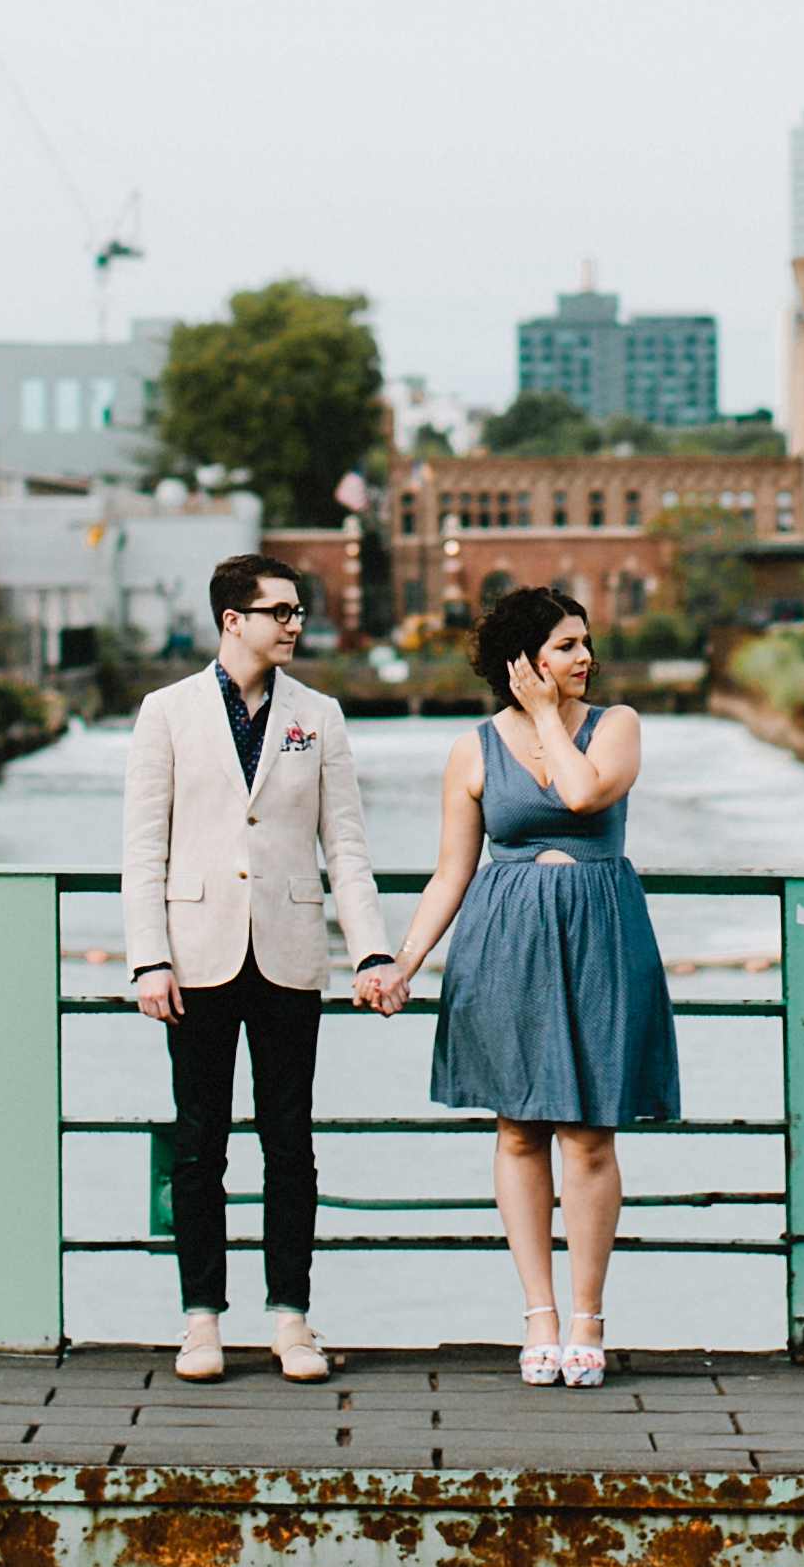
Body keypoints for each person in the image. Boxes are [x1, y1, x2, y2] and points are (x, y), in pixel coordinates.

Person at [363, 585, 676, 1388]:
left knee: (590, 1133)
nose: (585, 657)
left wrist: (544, 718)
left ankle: (587, 1318)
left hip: (601, 934)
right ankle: (537, 1314)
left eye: (585, 643)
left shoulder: (619, 726)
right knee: (516, 1130)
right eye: (568, 645)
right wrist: (404, 959)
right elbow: (451, 871)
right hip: (506, 941)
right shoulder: (472, 749)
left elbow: (580, 794)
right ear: (524, 659)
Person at [122, 553, 393, 1382]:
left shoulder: (320, 714)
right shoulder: (165, 713)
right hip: (195, 955)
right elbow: (143, 847)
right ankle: (200, 1322)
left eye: (299, 610)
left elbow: (343, 845)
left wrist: (373, 947)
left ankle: (291, 1319)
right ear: (232, 621)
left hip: (290, 950)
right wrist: (147, 960)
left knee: (290, 1143)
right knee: (199, 1144)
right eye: (279, 611)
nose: (295, 623)